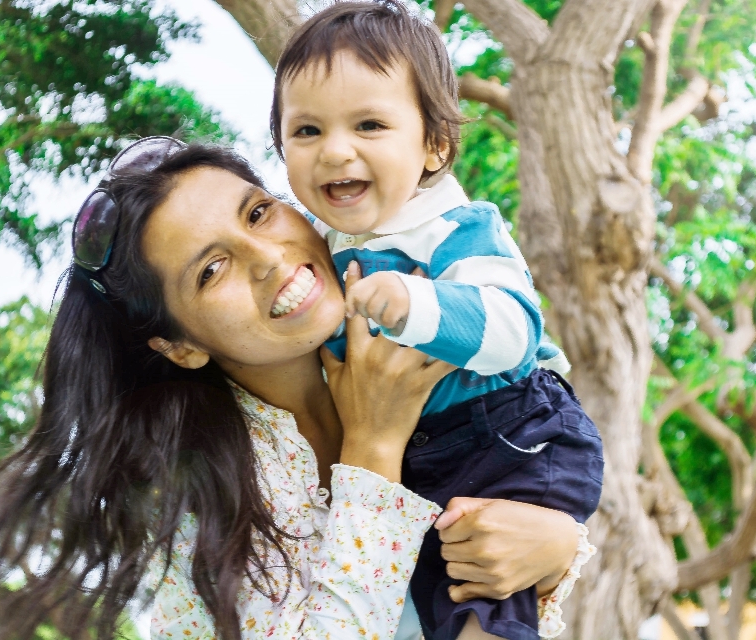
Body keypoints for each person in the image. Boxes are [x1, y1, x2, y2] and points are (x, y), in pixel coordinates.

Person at [0, 139, 590, 640]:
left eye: (258, 212)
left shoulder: (412, 318)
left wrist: (557, 547)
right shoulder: (209, 518)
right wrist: (374, 445)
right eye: (212, 268)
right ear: (181, 345)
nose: (270, 257)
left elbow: (542, 437)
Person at [269, 3, 604, 639]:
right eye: (307, 131)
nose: (336, 151)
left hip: (507, 433)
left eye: (369, 124)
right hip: (422, 461)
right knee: (435, 606)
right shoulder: (314, 249)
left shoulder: (456, 228)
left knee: (484, 602)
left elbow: (513, 332)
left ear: (433, 146)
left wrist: (417, 305)